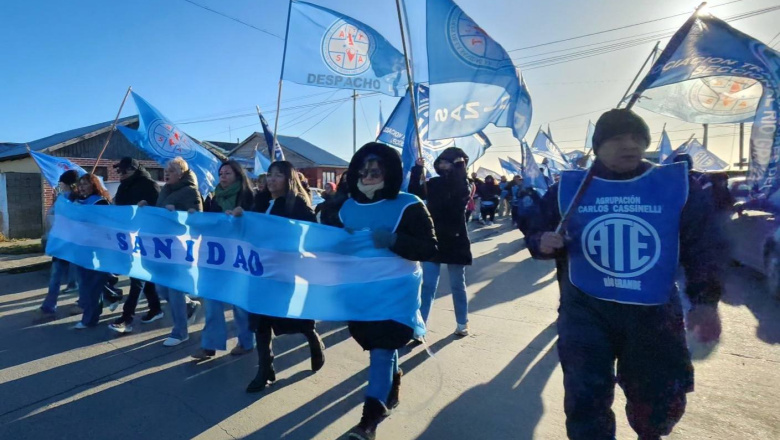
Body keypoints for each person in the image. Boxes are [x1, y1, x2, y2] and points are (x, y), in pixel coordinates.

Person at [526, 109, 724, 440]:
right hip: (585, 311)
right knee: (585, 398)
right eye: (618, 138)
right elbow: (536, 229)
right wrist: (541, 242)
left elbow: (703, 246)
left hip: (654, 313)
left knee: (656, 397)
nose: (630, 145)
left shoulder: (676, 185)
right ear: (598, 146)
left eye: (637, 138)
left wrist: (705, 301)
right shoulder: (569, 188)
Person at [322, 142, 437, 440]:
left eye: (375, 171)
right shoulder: (346, 207)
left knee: (382, 349)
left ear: (389, 172)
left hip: (396, 293)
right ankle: (392, 386)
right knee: (379, 347)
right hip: (360, 294)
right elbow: (319, 240)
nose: (368, 176)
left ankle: (368, 422)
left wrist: (395, 241)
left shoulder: (409, 205)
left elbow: (429, 248)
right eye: (363, 171)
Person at [239, 160, 325, 393]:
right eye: (270, 175)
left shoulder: (297, 204)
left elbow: (310, 234)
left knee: (295, 318)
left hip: (285, 272)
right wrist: (237, 218)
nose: (271, 179)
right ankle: (265, 368)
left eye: (278, 175)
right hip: (259, 271)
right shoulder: (259, 202)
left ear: (289, 179)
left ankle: (313, 340)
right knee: (260, 320)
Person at [192, 161, 256, 360]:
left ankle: (246, 342)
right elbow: (209, 224)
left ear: (238, 175)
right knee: (212, 302)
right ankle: (209, 345)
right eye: (221, 173)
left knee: (240, 304)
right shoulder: (215, 197)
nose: (223, 177)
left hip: (239, 259)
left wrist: (239, 218)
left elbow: (255, 227)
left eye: (227, 173)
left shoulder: (249, 197)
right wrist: (196, 218)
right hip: (215, 257)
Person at [408, 148, 471, 337]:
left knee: (457, 284)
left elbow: (461, 193)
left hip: (456, 238)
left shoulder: (464, 183)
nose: (442, 164)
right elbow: (414, 193)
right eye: (441, 161)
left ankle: (462, 323)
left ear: (456, 164)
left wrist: (460, 166)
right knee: (427, 285)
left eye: (447, 161)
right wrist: (417, 170)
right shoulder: (433, 183)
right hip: (434, 237)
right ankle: (420, 327)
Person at [143, 157, 203, 347]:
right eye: (166, 170)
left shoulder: (191, 191)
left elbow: (197, 218)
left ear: (181, 173)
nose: (166, 174)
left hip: (180, 248)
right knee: (161, 288)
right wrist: (148, 209)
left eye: (171, 171)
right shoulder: (166, 189)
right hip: (163, 247)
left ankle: (180, 331)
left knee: (174, 289)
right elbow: (160, 214)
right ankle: (189, 305)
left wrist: (178, 212)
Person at [108, 158, 164, 334]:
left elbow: (159, 211)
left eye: (124, 171)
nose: (121, 174)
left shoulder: (149, 185)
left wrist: (145, 210)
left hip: (145, 237)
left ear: (134, 169)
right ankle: (156, 308)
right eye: (119, 171)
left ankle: (127, 318)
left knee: (137, 276)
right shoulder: (123, 186)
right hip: (127, 236)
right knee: (143, 277)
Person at [70, 173, 112, 329]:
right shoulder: (78, 202)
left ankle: (89, 319)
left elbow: (106, 225)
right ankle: (105, 303)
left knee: (91, 286)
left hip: (96, 249)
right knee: (87, 285)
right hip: (81, 248)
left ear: (94, 186)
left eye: (85, 184)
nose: (81, 187)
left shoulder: (100, 202)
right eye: (80, 184)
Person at [39, 170, 80, 316]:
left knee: (78, 275)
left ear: (67, 183)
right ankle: (49, 304)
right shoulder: (61, 198)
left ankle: (83, 302)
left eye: (61, 183)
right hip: (62, 242)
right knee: (56, 274)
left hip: (74, 243)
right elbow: (52, 214)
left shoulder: (80, 199)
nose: (60, 185)